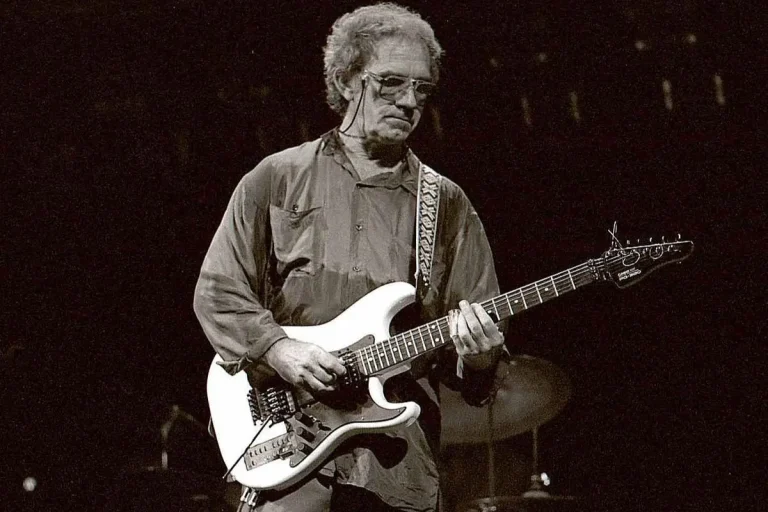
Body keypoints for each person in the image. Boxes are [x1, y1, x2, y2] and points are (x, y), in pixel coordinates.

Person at [194, 4, 509, 511]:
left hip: (397, 463)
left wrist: (479, 355)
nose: (409, 102)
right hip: (289, 447)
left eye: (422, 89)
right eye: (390, 83)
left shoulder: (445, 203)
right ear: (345, 80)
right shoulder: (276, 177)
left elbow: (474, 370)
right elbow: (218, 291)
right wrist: (278, 349)